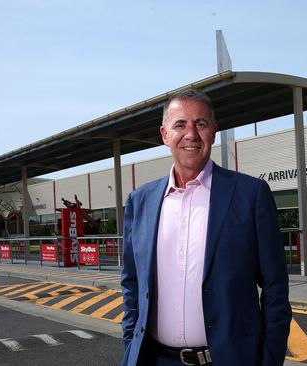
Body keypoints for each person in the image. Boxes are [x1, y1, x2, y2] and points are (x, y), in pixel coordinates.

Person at [120, 89, 291, 366]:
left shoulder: (250, 195)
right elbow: (132, 284)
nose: (191, 134)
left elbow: (275, 289)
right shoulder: (140, 202)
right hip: (154, 359)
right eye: (180, 125)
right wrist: (131, 343)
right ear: (164, 135)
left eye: (200, 124)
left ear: (214, 132)